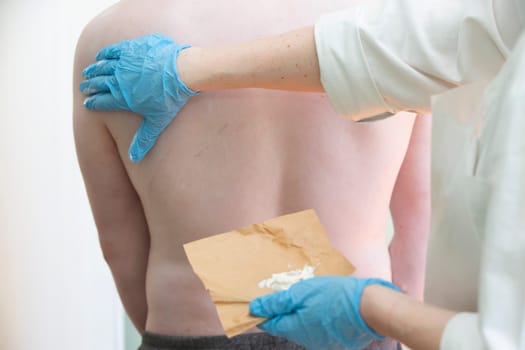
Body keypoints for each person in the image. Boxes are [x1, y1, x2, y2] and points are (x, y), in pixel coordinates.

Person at [79, 0, 525, 349]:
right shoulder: (399, 20)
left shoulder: (114, 38)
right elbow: (416, 232)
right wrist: (394, 323)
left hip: (192, 326)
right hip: (359, 326)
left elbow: (119, 245)